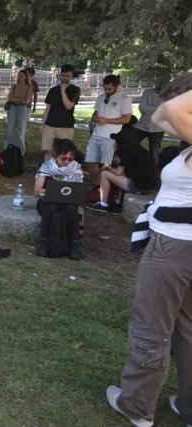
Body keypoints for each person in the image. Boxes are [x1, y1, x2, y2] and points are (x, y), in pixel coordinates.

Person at [106, 70, 192, 427]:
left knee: (151, 327)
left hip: (174, 248)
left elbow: (169, 110)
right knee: (188, 330)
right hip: (181, 247)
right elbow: (160, 115)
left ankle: (137, 406)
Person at [33, 138, 84, 259]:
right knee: (51, 207)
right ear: (56, 154)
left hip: (68, 203)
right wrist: (52, 191)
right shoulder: (47, 166)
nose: (66, 162)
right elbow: (36, 191)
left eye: (70, 159)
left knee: (72, 209)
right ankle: (43, 244)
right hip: (47, 201)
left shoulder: (76, 168)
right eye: (63, 158)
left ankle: (75, 246)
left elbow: (79, 191)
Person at [86, 135, 158, 213]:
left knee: (105, 173)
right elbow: (122, 173)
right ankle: (118, 200)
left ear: (119, 144)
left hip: (139, 187)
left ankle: (103, 204)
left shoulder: (127, 153)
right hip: (150, 187)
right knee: (118, 175)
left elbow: (118, 172)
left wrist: (107, 166)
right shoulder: (137, 149)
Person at [85, 75, 132, 183]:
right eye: (105, 88)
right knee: (90, 162)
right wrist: (94, 118)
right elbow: (96, 112)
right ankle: (96, 184)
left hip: (110, 136)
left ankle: (104, 187)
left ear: (117, 86)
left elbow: (126, 119)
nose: (106, 91)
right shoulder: (101, 97)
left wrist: (106, 120)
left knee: (106, 164)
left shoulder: (124, 99)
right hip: (96, 133)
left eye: (109, 89)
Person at [40, 64, 80, 160]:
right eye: (63, 75)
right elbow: (47, 109)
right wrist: (42, 125)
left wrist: (63, 90)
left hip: (65, 126)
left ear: (71, 76)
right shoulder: (53, 90)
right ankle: (48, 172)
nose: (65, 78)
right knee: (48, 151)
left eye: (68, 76)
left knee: (64, 153)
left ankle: (61, 173)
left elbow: (68, 106)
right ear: (60, 75)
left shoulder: (75, 90)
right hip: (50, 125)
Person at [133, 79, 166, 163]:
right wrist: (158, 109)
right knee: (130, 145)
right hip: (142, 126)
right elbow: (142, 108)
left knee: (154, 153)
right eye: (159, 80)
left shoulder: (169, 95)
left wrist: (149, 108)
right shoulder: (147, 92)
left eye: (163, 81)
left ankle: (154, 173)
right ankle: (133, 165)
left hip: (158, 129)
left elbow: (166, 111)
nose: (160, 83)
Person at [3, 70, 33, 155]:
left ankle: (20, 152)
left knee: (20, 131)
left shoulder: (28, 87)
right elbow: (10, 98)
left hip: (22, 109)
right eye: (18, 75)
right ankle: (6, 150)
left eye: (21, 76)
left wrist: (16, 99)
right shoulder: (14, 86)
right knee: (9, 130)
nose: (19, 77)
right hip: (12, 108)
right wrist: (20, 99)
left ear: (26, 77)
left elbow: (27, 101)